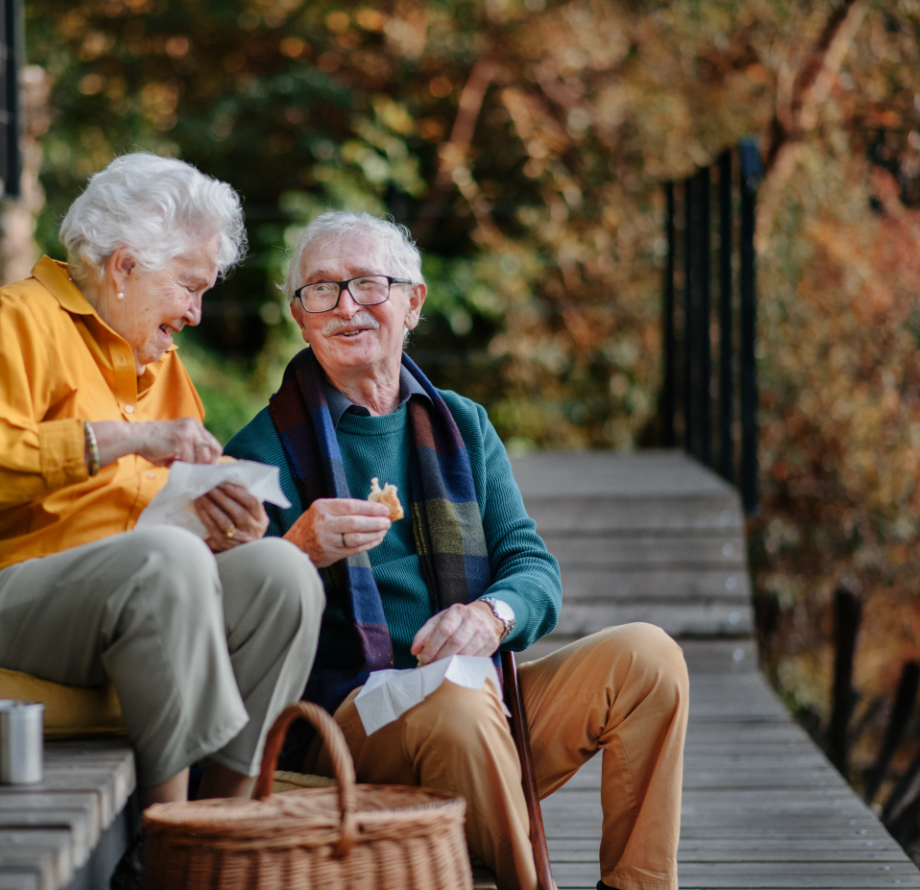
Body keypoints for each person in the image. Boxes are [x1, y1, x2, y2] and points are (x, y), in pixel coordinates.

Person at [225, 210, 689, 890]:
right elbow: (234, 612)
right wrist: (297, 549)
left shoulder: (462, 424)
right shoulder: (262, 450)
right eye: (320, 289)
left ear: (412, 302)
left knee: (649, 658)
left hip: (481, 696)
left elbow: (532, 569)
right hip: (350, 722)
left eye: (367, 284)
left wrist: (491, 618)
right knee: (453, 706)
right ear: (300, 317)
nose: (345, 306)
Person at [0, 153, 324, 807]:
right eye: (189, 287)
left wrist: (228, 521)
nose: (197, 314)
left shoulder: (161, 364)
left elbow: (176, 501)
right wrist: (121, 440)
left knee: (283, 576)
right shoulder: (15, 320)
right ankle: (165, 837)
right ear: (123, 266)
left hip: (110, 608)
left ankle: (225, 825)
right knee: (166, 563)